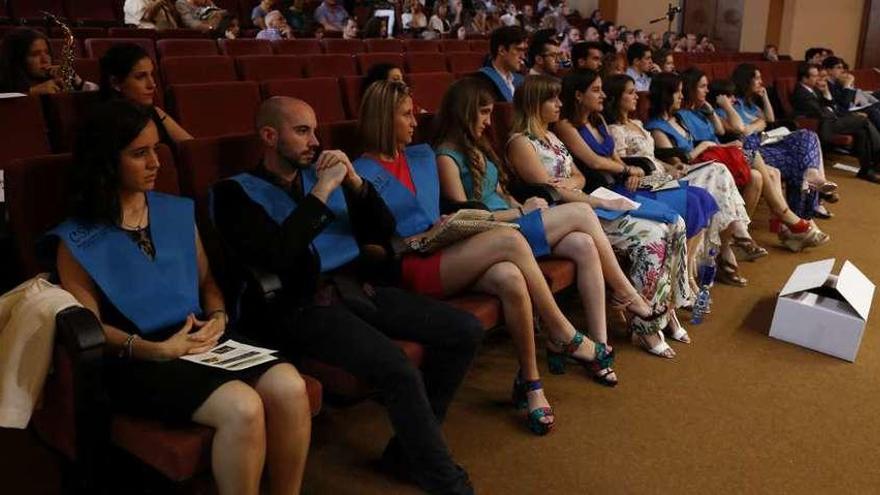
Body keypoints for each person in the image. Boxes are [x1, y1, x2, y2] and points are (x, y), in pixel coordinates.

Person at [211, 97, 481, 494]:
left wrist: (355, 183)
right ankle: (445, 480)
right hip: (296, 305)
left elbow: (382, 230)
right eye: (302, 131)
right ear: (269, 136)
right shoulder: (234, 193)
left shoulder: (322, 179)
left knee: (465, 329)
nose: (315, 141)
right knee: (397, 368)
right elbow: (278, 255)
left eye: (315, 131)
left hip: (354, 288)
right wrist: (321, 191)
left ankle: (406, 452)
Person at [45, 100, 310, 495]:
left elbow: (207, 284)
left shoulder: (173, 211)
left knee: (290, 386)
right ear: (105, 161)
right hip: (138, 356)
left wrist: (219, 316)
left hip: (199, 337)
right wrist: (157, 351)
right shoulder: (77, 238)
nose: (156, 163)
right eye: (140, 154)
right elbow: (91, 325)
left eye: (157, 150)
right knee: (243, 407)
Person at [354, 81, 617, 434]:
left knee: (509, 275)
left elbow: (443, 208)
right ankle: (563, 332)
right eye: (405, 115)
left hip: (443, 249)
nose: (415, 121)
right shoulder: (360, 172)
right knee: (509, 241)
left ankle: (531, 383)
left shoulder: (418, 156)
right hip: (408, 267)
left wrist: (447, 224)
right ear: (384, 119)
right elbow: (370, 243)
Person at [437, 78, 645, 383]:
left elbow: (499, 193)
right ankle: (626, 293)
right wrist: (521, 209)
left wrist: (524, 203)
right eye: (482, 113)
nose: (487, 120)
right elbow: (464, 215)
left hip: (512, 218)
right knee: (583, 211)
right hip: (494, 231)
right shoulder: (446, 155)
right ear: (463, 113)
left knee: (583, 243)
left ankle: (600, 343)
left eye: (489, 113)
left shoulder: (480, 147)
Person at [508, 74, 690, 359]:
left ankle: (648, 314)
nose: (559, 104)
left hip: (581, 207)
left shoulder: (552, 136)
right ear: (534, 104)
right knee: (652, 237)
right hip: (557, 216)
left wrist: (570, 185)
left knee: (670, 227)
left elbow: (578, 176)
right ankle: (638, 311)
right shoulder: (520, 142)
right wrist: (584, 195)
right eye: (552, 99)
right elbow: (546, 189)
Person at [604, 73, 766, 287]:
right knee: (715, 173)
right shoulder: (615, 129)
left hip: (664, 173)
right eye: (631, 93)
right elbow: (626, 164)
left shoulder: (637, 122)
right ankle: (733, 239)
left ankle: (720, 251)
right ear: (617, 97)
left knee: (717, 173)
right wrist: (666, 170)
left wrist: (674, 168)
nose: (637, 97)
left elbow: (654, 157)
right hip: (648, 180)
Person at [647, 72, 829, 253]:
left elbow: (718, 131)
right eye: (677, 92)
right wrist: (706, 145)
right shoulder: (660, 126)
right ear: (666, 95)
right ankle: (788, 219)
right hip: (698, 168)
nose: (681, 95)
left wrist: (711, 115)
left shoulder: (679, 118)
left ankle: (741, 236)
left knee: (760, 175)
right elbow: (679, 163)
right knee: (754, 156)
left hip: (712, 158)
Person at [722, 64, 835, 218]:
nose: (761, 81)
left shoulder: (751, 105)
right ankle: (806, 212)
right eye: (757, 78)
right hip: (753, 151)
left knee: (808, 135)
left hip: (763, 142)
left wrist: (765, 98)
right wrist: (758, 124)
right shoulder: (734, 103)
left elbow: (769, 119)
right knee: (798, 161)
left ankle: (812, 183)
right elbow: (743, 129)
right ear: (746, 80)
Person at [791, 63, 880, 183]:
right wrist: (834, 111)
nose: (818, 79)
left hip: (831, 120)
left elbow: (832, 106)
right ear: (804, 78)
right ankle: (878, 155)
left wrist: (826, 92)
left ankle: (866, 170)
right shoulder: (801, 93)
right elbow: (820, 113)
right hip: (824, 125)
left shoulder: (815, 90)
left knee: (861, 131)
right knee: (863, 120)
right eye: (814, 76)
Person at [99, 43, 193, 148]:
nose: (151, 84)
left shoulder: (155, 112)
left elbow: (191, 149)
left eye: (151, 74)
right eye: (140, 77)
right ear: (115, 83)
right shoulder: (105, 123)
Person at [0, 28, 98, 95]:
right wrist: (31, 93)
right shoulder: (6, 82)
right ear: (18, 60)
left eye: (47, 53)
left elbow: (98, 94)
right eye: (35, 54)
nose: (45, 59)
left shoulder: (55, 79)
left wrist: (77, 81)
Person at [824, 56, 880, 133]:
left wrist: (850, 85)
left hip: (856, 105)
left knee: (877, 105)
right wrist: (847, 85)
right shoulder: (826, 85)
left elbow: (853, 96)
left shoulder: (838, 82)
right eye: (838, 68)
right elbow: (845, 104)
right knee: (872, 111)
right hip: (843, 112)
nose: (842, 70)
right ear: (829, 70)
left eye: (842, 68)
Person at [476, 26, 527, 103]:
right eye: (518, 50)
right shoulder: (482, 82)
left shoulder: (520, 80)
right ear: (502, 51)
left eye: (524, 51)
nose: (523, 56)